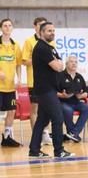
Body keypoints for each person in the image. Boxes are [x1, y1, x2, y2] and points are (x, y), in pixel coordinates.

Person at [28, 22, 74, 158]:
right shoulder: (41, 48)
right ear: (41, 33)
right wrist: (58, 64)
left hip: (50, 89)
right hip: (45, 90)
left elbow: (61, 64)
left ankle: (34, 150)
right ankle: (59, 150)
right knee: (58, 118)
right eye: (49, 31)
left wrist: (59, 64)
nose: (52, 33)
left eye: (53, 30)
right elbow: (57, 66)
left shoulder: (50, 48)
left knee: (42, 120)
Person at [22, 17, 50, 145]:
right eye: (39, 25)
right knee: (35, 109)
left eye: (43, 25)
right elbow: (24, 61)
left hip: (47, 82)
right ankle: (36, 136)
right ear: (35, 26)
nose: (41, 27)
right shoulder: (29, 41)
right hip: (34, 81)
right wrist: (39, 59)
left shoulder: (50, 41)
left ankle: (45, 133)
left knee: (47, 108)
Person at [57, 55, 88, 142]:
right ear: (66, 64)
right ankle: (73, 134)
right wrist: (62, 95)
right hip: (64, 101)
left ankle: (73, 133)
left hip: (76, 101)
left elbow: (87, 90)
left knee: (87, 108)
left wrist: (82, 95)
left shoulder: (79, 77)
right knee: (67, 110)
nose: (74, 64)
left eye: (76, 62)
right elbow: (53, 92)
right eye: (72, 62)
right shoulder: (60, 76)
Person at [0, 18, 22, 147]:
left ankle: (7, 137)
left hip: (10, 86)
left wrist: (19, 78)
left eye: (10, 25)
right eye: (5, 26)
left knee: (12, 110)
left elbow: (18, 64)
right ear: (1, 28)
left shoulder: (15, 45)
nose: (7, 28)